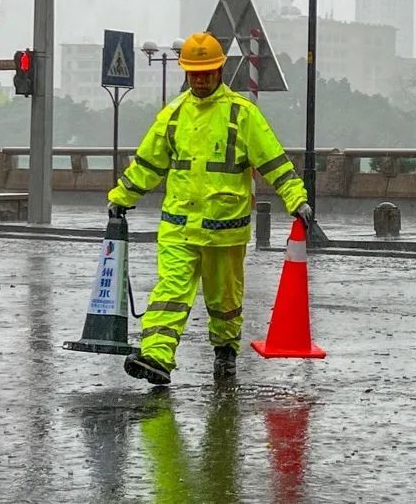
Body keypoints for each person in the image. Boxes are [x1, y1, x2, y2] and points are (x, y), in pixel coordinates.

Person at [107, 32, 313, 385]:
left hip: (225, 229)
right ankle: (156, 356)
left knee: (224, 299)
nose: (200, 79)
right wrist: (121, 198)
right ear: (185, 73)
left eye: (206, 72)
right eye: (194, 73)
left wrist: (296, 197)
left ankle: (225, 350)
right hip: (179, 226)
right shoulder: (173, 116)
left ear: (220, 70)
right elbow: (147, 163)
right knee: (170, 290)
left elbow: (273, 161)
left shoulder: (242, 115)